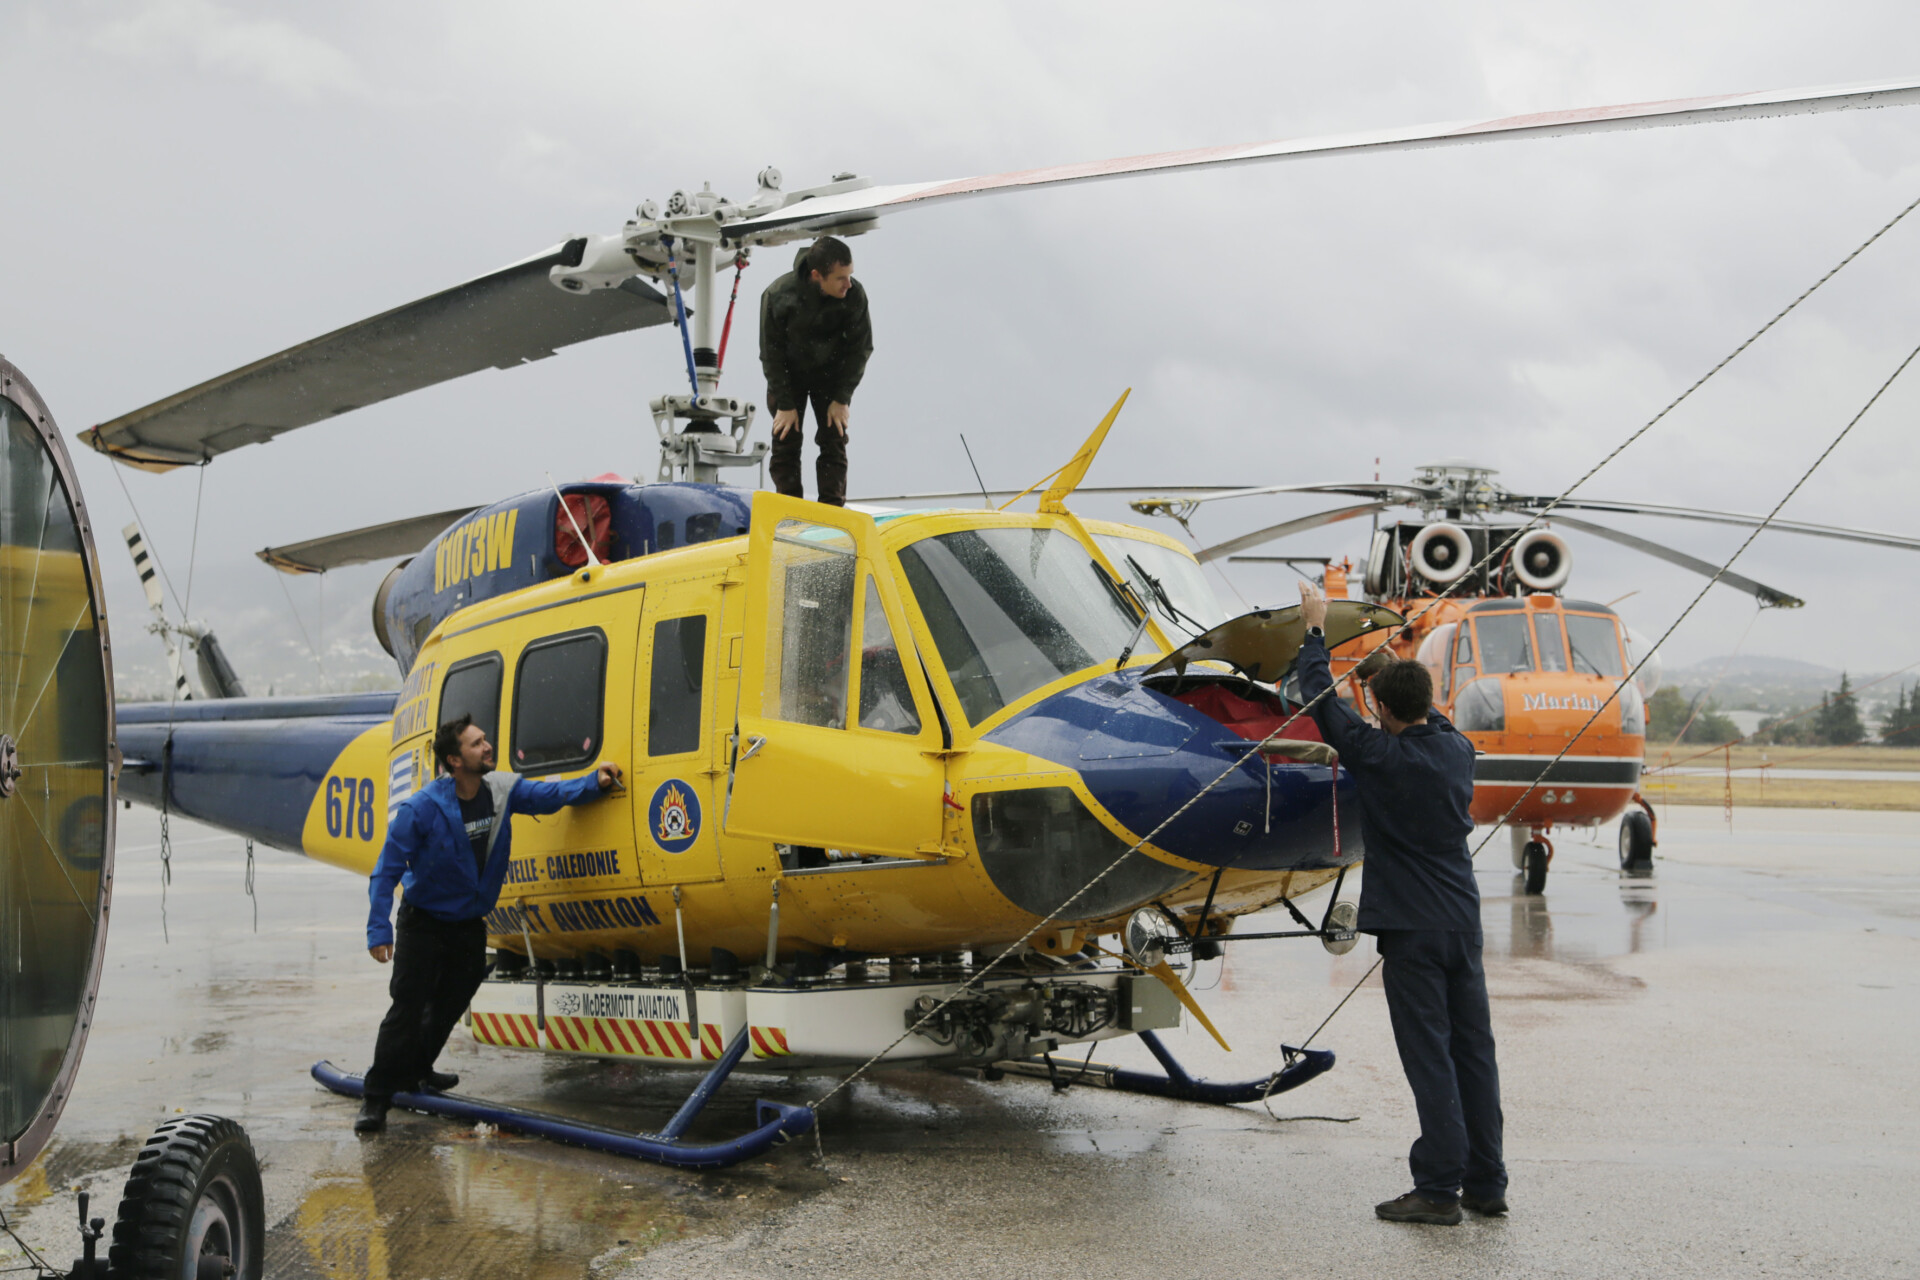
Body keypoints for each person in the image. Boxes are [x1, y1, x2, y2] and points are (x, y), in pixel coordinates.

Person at [1294, 581, 1507, 1225]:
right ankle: (1487, 1183)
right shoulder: (1456, 749)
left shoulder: (1375, 753)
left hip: (1412, 932)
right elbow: (1411, 714)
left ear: (1381, 708)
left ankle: (1439, 1189)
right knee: (1474, 1051)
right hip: (1461, 924)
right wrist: (1384, 686)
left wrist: (1314, 630)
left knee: (1429, 1056)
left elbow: (1322, 702)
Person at [356, 715, 622, 1134]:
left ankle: (418, 1070)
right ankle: (375, 1098)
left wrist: (594, 783)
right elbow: (386, 870)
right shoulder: (421, 809)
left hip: (467, 924)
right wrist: (378, 930)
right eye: (477, 744)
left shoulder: (500, 790)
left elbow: (549, 795)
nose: (487, 746)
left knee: (450, 1002)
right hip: (422, 923)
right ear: (454, 760)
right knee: (406, 1010)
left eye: (484, 740)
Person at [760, 235, 873, 506]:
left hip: (831, 378)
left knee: (833, 441)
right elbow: (770, 354)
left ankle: (832, 512)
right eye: (840, 278)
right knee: (785, 439)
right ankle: (790, 512)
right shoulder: (778, 294)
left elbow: (861, 349)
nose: (848, 284)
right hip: (788, 377)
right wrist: (785, 404)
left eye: (850, 275)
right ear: (816, 275)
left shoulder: (854, 294)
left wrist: (842, 398)